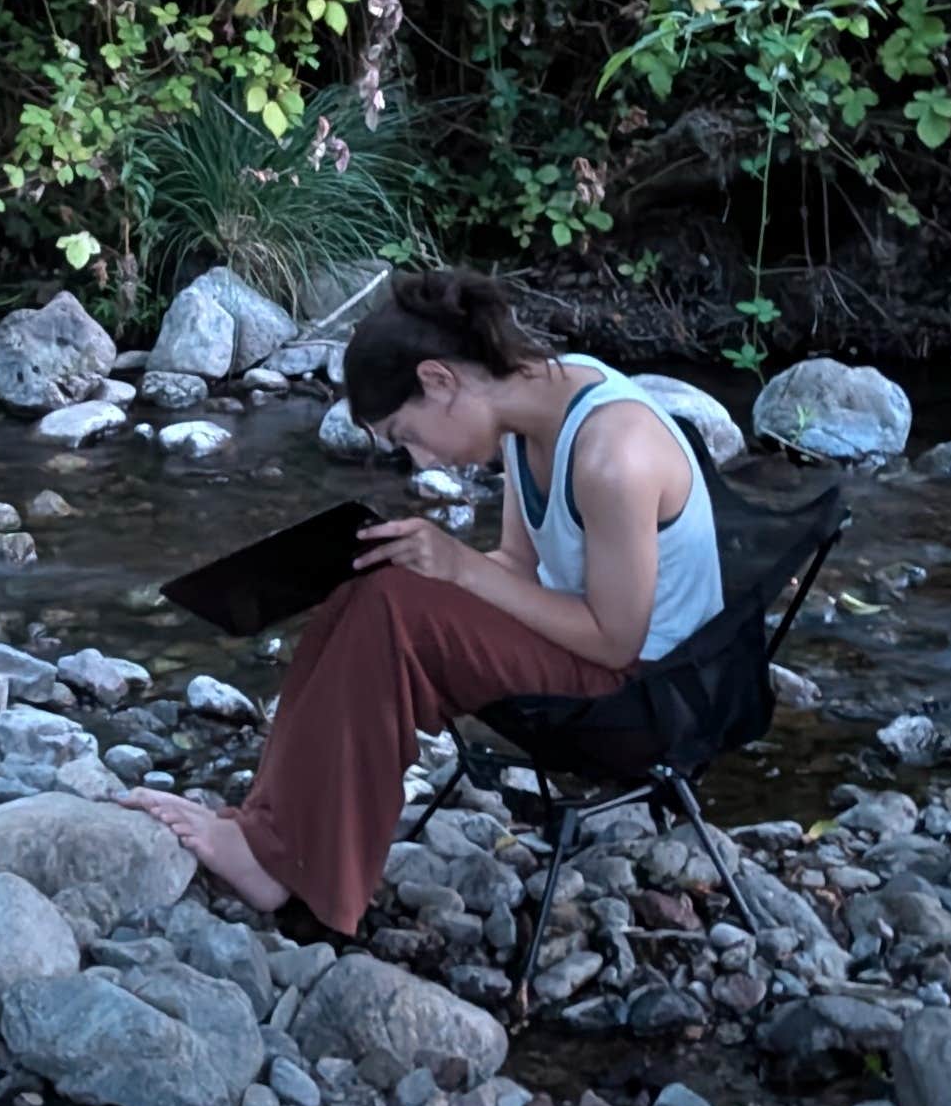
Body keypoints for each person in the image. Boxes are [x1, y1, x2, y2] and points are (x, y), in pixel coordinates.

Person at [129, 267, 726, 937]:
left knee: (396, 605)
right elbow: (516, 567)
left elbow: (616, 640)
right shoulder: (536, 412)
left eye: (405, 435)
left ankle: (287, 863)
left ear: (440, 382)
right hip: (593, 651)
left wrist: (457, 569)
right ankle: (271, 836)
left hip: (646, 693)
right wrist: (439, 567)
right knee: (374, 579)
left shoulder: (612, 454)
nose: (417, 460)